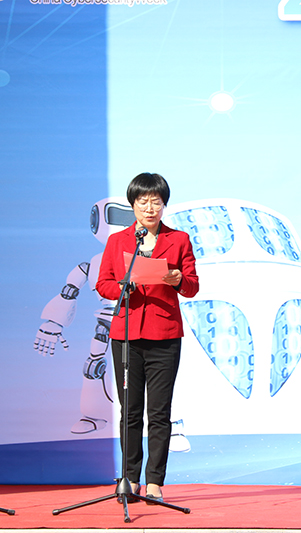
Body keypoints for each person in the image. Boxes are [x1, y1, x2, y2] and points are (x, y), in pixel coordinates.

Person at [96, 172, 199, 502]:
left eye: (156, 201)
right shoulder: (118, 242)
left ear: (164, 205)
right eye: (143, 202)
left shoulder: (179, 240)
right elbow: (103, 284)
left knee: (159, 412)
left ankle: (155, 481)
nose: (150, 208)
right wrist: (124, 287)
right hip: (126, 335)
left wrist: (177, 279)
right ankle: (129, 479)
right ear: (133, 205)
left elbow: (193, 286)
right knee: (130, 411)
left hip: (164, 334)